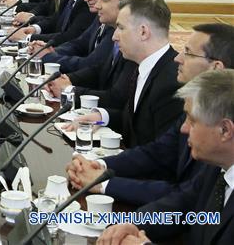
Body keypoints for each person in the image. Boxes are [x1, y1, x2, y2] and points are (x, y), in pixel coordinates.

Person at [67, 23, 234, 207]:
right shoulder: (195, 102)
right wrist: (98, 165)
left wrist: (103, 183)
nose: (177, 58)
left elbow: (186, 196)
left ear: (216, 67)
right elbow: (158, 152)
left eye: (188, 52)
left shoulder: (217, 122)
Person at [98, 69, 234, 245]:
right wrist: (133, 223)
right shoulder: (217, 168)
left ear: (225, 130)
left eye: (192, 120)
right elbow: (181, 207)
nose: (183, 129)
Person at [69, 0, 182, 147]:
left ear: (143, 32)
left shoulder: (173, 80)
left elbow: (162, 151)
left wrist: (105, 165)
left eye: (120, 28)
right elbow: (134, 122)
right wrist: (102, 116)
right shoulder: (142, 65)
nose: (114, 37)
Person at [47, 0, 147, 96]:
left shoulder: (135, 43)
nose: (98, 5)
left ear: (126, 4)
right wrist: (67, 79)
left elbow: (117, 98)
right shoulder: (107, 23)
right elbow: (99, 69)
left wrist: (69, 90)